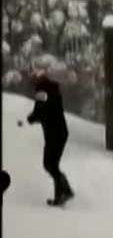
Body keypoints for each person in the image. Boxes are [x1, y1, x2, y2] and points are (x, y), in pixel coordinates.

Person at [26, 70, 74, 206]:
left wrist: (31, 118)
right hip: (60, 132)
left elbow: (40, 111)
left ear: (39, 80)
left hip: (54, 133)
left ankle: (65, 192)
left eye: (33, 79)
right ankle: (62, 195)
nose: (32, 83)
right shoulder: (52, 90)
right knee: (52, 165)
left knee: (49, 164)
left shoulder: (42, 91)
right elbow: (47, 110)